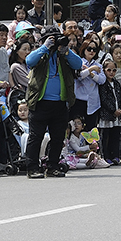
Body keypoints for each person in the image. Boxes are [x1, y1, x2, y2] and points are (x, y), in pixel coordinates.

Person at [24, 26, 83, 178]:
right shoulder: (41, 53)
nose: (55, 41)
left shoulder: (64, 54)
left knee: (58, 138)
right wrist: (45, 47)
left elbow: (78, 64)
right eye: (52, 38)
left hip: (60, 103)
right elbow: (29, 60)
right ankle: (32, 168)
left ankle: (53, 166)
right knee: (36, 137)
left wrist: (66, 51)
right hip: (40, 102)